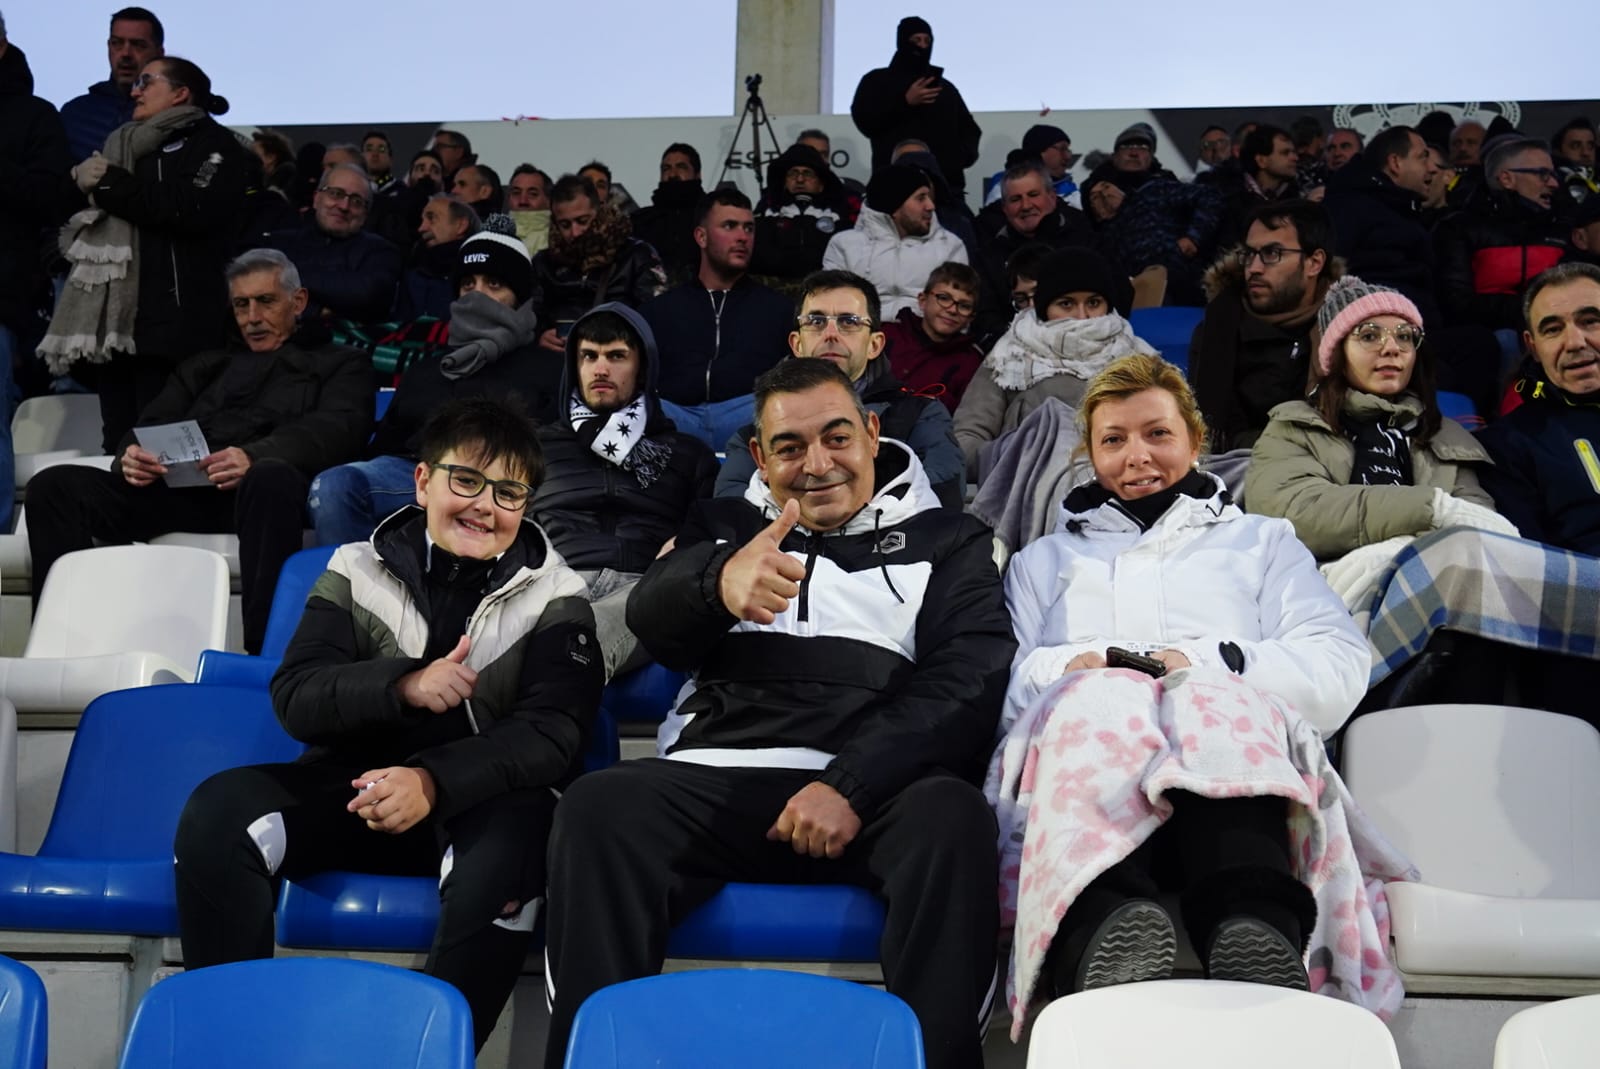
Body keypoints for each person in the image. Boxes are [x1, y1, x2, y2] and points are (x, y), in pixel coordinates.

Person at [543, 356, 1013, 1069]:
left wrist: (851, 784)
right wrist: (714, 581)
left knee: (954, 815)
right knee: (597, 807)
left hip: (870, 791)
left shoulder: (950, 538)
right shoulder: (722, 524)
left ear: (872, 431)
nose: (817, 464)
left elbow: (968, 678)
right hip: (715, 777)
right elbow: (651, 617)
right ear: (759, 456)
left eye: (836, 437)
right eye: (789, 447)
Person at [986, 353, 1400, 1035]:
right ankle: (1101, 925)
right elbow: (1004, 686)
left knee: (1214, 701)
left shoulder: (1263, 542)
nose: (1137, 456)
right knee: (1099, 701)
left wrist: (1208, 664)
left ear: (1195, 439)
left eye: (1157, 433)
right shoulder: (1042, 562)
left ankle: (1254, 925)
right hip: (1090, 798)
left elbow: (1336, 664)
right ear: (1089, 454)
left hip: (1233, 796)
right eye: (1113, 439)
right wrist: (1077, 668)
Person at [174, 395, 603, 1053]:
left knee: (517, 849)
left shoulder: (559, 595)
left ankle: (425, 1055)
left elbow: (552, 735)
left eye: (509, 492)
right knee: (217, 813)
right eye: (466, 480)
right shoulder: (355, 567)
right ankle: (233, 1047)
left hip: (482, 806)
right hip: (354, 793)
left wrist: (431, 780)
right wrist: (402, 683)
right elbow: (297, 694)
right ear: (424, 480)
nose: (485, 505)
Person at [28, 249, 371, 654]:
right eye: (241, 305)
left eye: (266, 301)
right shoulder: (207, 364)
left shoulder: (342, 363)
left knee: (271, 477)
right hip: (184, 491)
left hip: (264, 497)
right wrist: (131, 457)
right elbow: (150, 424)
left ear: (298, 302)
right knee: (54, 486)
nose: (252, 317)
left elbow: (339, 430)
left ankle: (264, 652)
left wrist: (254, 455)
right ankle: (63, 638)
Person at [39, 54, 258, 454]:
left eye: (147, 81)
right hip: (117, 327)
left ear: (180, 93)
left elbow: (186, 206)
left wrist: (109, 184)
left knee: (166, 447)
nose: (135, 89)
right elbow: (73, 217)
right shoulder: (122, 144)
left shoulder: (215, 144)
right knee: (120, 446)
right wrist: (76, 182)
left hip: (175, 326)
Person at [1246, 276, 1513, 572]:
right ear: (1335, 354)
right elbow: (1294, 513)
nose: (1391, 348)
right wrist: (1432, 509)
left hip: (1437, 584)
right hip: (1321, 588)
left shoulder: (1447, 436)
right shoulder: (1294, 426)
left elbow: (1482, 529)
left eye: (1405, 336)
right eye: (1369, 335)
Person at [309, 231, 548, 546]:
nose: (477, 295)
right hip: (416, 475)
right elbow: (384, 449)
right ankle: (353, 589)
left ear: (520, 296)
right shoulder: (425, 369)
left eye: (494, 284)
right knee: (333, 486)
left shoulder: (548, 368)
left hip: (501, 485)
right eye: (467, 284)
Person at [530, 304, 717, 678]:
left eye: (616, 356)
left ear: (642, 367)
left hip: (647, 588)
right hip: (554, 583)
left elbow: (715, 534)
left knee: (573, 642)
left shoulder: (687, 453)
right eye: (589, 356)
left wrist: (686, 547)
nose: (600, 369)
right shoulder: (533, 447)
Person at [714, 268, 965, 508]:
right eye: (816, 321)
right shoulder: (757, 428)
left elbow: (943, 496)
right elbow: (733, 512)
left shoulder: (921, 415)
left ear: (874, 345)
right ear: (797, 343)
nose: (831, 333)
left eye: (849, 321)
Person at [955, 247, 1154, 479]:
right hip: (1029, 491)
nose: (1082, 316)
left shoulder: (1139, 360)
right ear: (1044, 309)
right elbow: (966, 439)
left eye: (1093, 302)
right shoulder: (1009, 356)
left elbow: (1176, 432)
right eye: (1066, 304)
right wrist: (1012, 456)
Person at [640, 188, 792, 451]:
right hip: (676, 416)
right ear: (701, 236)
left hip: (747, 417)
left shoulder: (778, 309)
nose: (742, 237)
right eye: (730, 226)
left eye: (748, 228)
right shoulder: (659, 310)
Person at [1189, 200, 1339, 453]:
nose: (1254, 268)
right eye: (1249, 254)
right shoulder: (1219, 326)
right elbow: (1211, 430)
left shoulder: (1350, 330)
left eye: (1272, 254)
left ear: (1314, 263)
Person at [1478, 262, 1600, 554]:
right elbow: (1536, 571)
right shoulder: (1507, 446)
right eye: (1553, 329)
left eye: (1590, 321)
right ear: (1532, 347)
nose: (1574, 342)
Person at [1434, 135, 1570, 339]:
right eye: (1542, 174)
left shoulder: (1562, 227)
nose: (1553, 183)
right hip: (1492, 340)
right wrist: (1531, 308)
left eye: (1553, 174)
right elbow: (1456, 304)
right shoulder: (1457, 228)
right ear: (1507, 179)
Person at [531, 174, 666, 354]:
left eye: (582, 221)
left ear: (600, 211)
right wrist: (540, 335)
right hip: (557, 360)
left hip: (620, 357)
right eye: (565, 224)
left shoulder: (636, 255)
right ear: (555, 223)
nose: (575, 232)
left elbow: (658, 316)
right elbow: (528, 317)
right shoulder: (544, 263)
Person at [1324, 126, 1441, 328]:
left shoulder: (1401, 207)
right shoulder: (1350, 205)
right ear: (1395, 162)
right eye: (1422, 157)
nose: (1431, 168)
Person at [849, 16, 981, 193]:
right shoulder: (877, 81)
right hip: (892, 188)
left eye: (927, 40)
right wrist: (905, 103)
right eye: (916, 40)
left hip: (946, 189)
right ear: (903, 42)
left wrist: (956, 159)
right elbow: (865, 121)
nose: (923, 46)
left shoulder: (945, 88)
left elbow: (969, 129)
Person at [822, 163, 968, 320]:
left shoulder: (949, 246)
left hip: (925, 340)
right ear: (894, 206)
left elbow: (959, 310)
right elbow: (832, 305)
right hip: (863, 338)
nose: (931, 206)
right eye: (921, 198)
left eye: (929, 197)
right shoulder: (845, 245)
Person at [264, 163, 402, 324]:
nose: (344, 206)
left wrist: (283, 277)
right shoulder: (278, 243)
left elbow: (368, 295)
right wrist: (316, 311)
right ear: (316, 199)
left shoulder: (382, 252)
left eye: (356, 201)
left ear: (365, 215)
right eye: (335, 194)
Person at [972, 160, 1095, 341]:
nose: (1026, 206)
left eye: (1033, 195)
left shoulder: (1084, 239)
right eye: (1015, 199)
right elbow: (986, 318)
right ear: (1004, 209)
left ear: (1052, 197)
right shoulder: (989, 256)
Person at [59, 6, 163, 160]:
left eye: (138, 45)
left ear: (159, 53)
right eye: (117, 43)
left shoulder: (171, 114)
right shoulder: (75, 113)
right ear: (108, 46)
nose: (126, 53)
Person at [882, 261, 985, 412]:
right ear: (923, 301)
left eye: (964, 306)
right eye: (944, 298)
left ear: (971, 318)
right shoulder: (888, 334)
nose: (952, 310)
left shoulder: (970, 362)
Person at [750, 143, 858, 281]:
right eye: (793, 173)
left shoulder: (841, 219)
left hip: (825, 290)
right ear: (784, 182)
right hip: (775, 291)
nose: (800, 179)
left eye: (808, 173)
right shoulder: (766, 216)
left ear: (821, 184)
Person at [395, 193, 480, 322]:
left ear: (460, 225)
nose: (421, 228)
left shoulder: (480, 274)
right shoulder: (413, 272)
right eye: (422, 220)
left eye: (431, 218)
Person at [630, 142, 705, 284]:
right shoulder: (641, 221)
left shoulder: (711, 217)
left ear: (698, 174)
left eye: (681, 167)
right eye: (666, 169)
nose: (672, 174)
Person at [505, 163, 552, 255]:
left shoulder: (558, 239)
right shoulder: (492, 237)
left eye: (532, 194)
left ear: (549, 200)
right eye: (516, 193)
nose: (523, 201)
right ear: (508, 199)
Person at [1553, 117, 1597, 204]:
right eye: (1576, 146)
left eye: (1590, 146)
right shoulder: (1552, 184)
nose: (1585, 153)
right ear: (1558, 151)